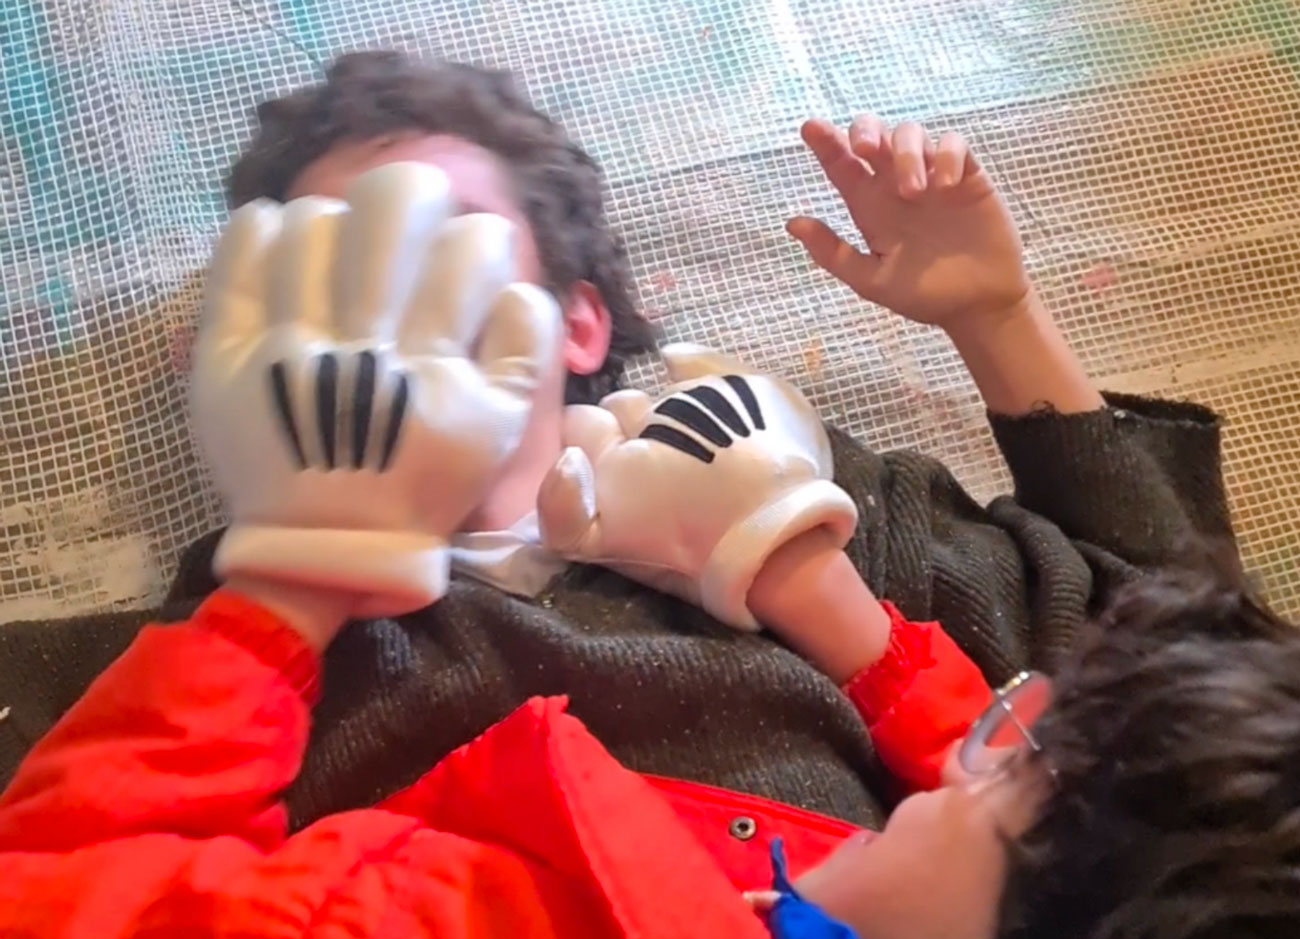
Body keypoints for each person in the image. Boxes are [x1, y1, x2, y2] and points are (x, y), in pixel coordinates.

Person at [0, 162, 1294, 939]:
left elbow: (48, 911)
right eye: (324, 293)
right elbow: (1171, 670)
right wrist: (819, 583)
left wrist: (294, 572)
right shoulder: (810, 534)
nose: (971, 757)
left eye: (443, 269)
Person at [1, 50, 1232, 838]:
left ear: (578, 320)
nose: (389, 291)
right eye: (335, 257)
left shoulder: (791, 486)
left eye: (444, 238)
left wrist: (996, 320)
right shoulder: (172, 671)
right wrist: (294, 572)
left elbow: (1204, 712)